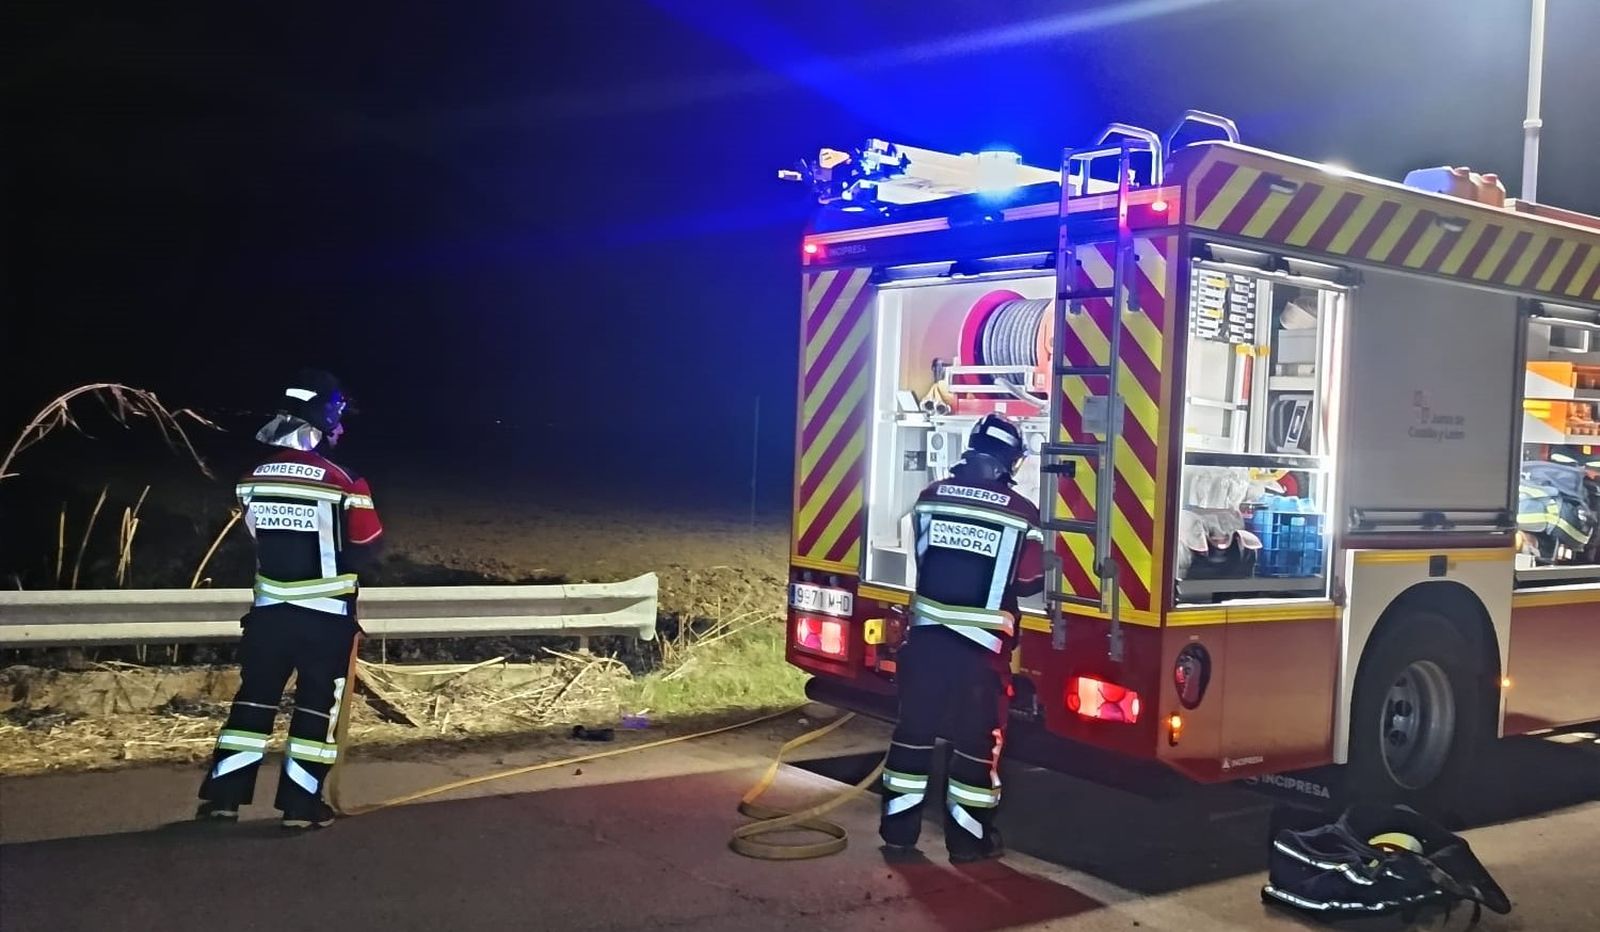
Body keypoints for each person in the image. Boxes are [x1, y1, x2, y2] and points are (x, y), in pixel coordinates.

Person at [196, 369, 383, 829]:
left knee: (252, 703)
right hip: (324, 621)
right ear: (322, 420)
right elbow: (369, 546)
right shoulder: (346, 481)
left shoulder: (251, 478)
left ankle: (222, 799)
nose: (341, 430)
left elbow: (254, 539)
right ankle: (300, 808)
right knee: (316, 710)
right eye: (337, 420)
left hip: (268, 616)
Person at [879, 412, 1044, 863]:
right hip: (980, 655)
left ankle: (898, 832)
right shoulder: (1021, 513)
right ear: (1009, 461)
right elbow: (1029, 581)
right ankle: (968, 843)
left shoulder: (930, 497)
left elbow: (927, 556)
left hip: (926, 643)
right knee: (975, 749)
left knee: (912, 737)